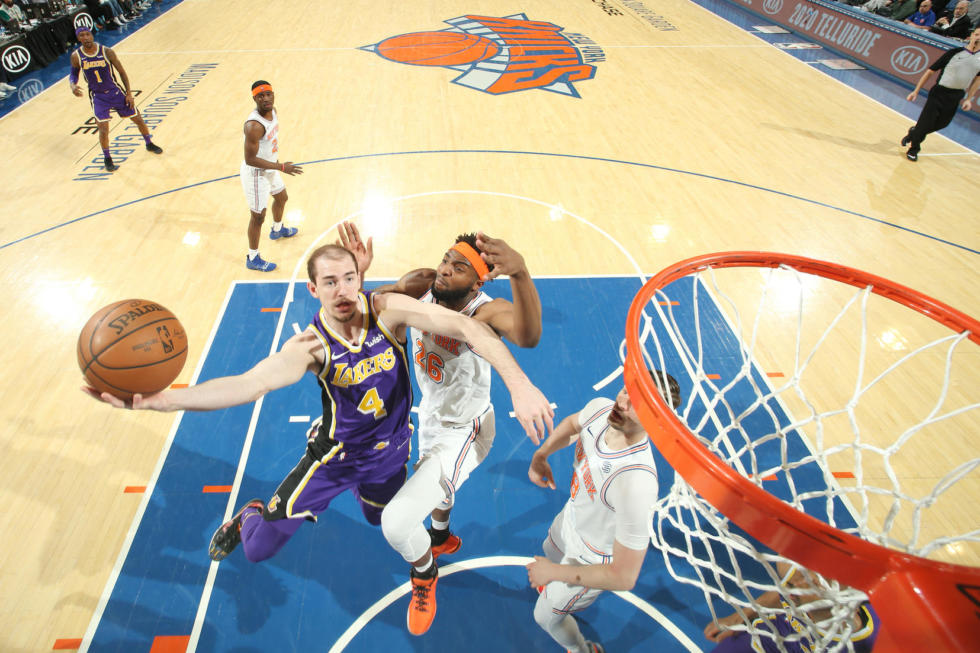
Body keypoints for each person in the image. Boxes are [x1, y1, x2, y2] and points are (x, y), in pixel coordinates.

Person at [83, 244, 554, 579]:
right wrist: (164, 399)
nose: (343, 290)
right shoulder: (310, 346)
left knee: (381, 520)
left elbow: (466, 328)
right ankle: (251, 513)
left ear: (361, 279)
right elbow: (250, 384)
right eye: (330, 282)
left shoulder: (388, 309)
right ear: (313, 288)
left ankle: (422, 535)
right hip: (336, 458)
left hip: (391, 454)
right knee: (260, 550)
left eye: (350, 278)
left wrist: (520, 384)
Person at [336, 221, 544, 635]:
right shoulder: (422, 283)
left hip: (468, 429)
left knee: (396, 523)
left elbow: (528, 334)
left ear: (477, 283)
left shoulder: (484, 310)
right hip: (429, 416)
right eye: (446, 260)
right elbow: (367, 314)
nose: (447, 269)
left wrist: (520, 272)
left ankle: (425, 573)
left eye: (459, 268)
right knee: (434, 488)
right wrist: (356, 277)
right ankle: (442, 536)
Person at [525, 370, 681, 653]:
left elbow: (623, 576)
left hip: (592, 558)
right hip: (570, 518)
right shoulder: (601, 409)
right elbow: (573, 424)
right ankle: (556, 592)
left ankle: (582, 649)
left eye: (637, 404)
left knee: (544, 617)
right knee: (548, 550)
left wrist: (555, 573)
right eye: (625, 392)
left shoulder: (637, 482)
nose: (622, 402)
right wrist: (540, 455)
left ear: (657, 420)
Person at [703, 562, 880, 652]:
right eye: (792, 583)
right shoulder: (800, 594)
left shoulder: (870, 640)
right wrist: (741, 615)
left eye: (814, 583)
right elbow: (784, 591)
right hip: (776, 635)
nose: (792, 588)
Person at [68, 26, 163, 171]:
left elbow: (122, 73)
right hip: (98, 97)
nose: (86, 37)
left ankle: (149, 143)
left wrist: (129, 94)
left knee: (138, 119)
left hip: (115, 92)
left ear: (92, 35)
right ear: (78, 38)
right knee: (103, 129)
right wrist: (72, 85)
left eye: (88, 34)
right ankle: (107, 158)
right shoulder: (76, 56)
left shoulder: (106, 51)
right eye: (82, 35)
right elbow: (73, 74)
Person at [240, 80, 302, 272]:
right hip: (256, 174)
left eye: (268, 94)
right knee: (258, 217)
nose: (265, 98)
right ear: (254, 98)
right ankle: (253, 258)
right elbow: (250, 159)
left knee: (282, 197)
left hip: (270, 167)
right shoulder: (253, 126)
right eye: (261, 96)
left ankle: (277, 229)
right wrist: (281, 166)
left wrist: (276, 165)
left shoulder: (273, 111)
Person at [901, 26, 980, 160]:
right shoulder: (954, 53)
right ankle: (914, 149)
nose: (978, 38)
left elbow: (977, 80)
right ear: (971, 36)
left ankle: (914, 133)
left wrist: (969, 99)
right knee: (926, 122)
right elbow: (930, 71)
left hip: (956, 95)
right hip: (939, 92)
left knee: (943, 124)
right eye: (977, 35)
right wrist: (916, 91)